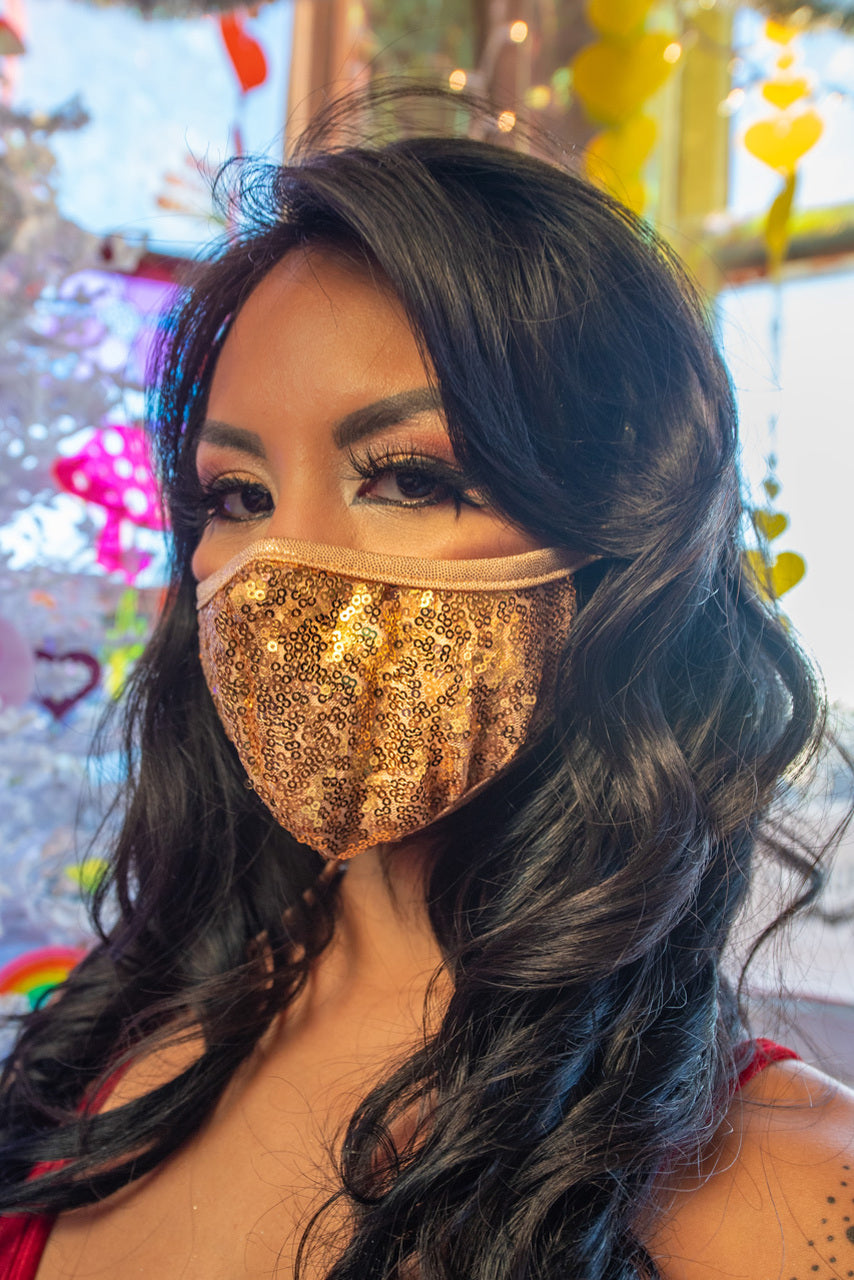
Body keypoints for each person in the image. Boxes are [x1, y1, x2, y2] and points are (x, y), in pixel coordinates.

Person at [1, 87, 853, 1280]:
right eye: (238, 494)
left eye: (407, 477)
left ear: (618, 550)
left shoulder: (796, 1195)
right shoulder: (110, 1029)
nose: (279, 572)